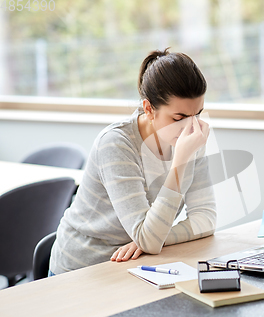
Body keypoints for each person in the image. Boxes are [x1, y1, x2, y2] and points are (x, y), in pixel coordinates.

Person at [49, 48, 216, 275]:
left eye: (198, 114)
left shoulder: (189, 138)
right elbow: (148, 239)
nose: (192, 127)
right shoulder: (116, 144)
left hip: (138, 261)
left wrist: (157, 237)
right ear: (149, 109)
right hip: (85, 267)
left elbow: (205, 218)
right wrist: (180, 161)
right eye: (179, 118)